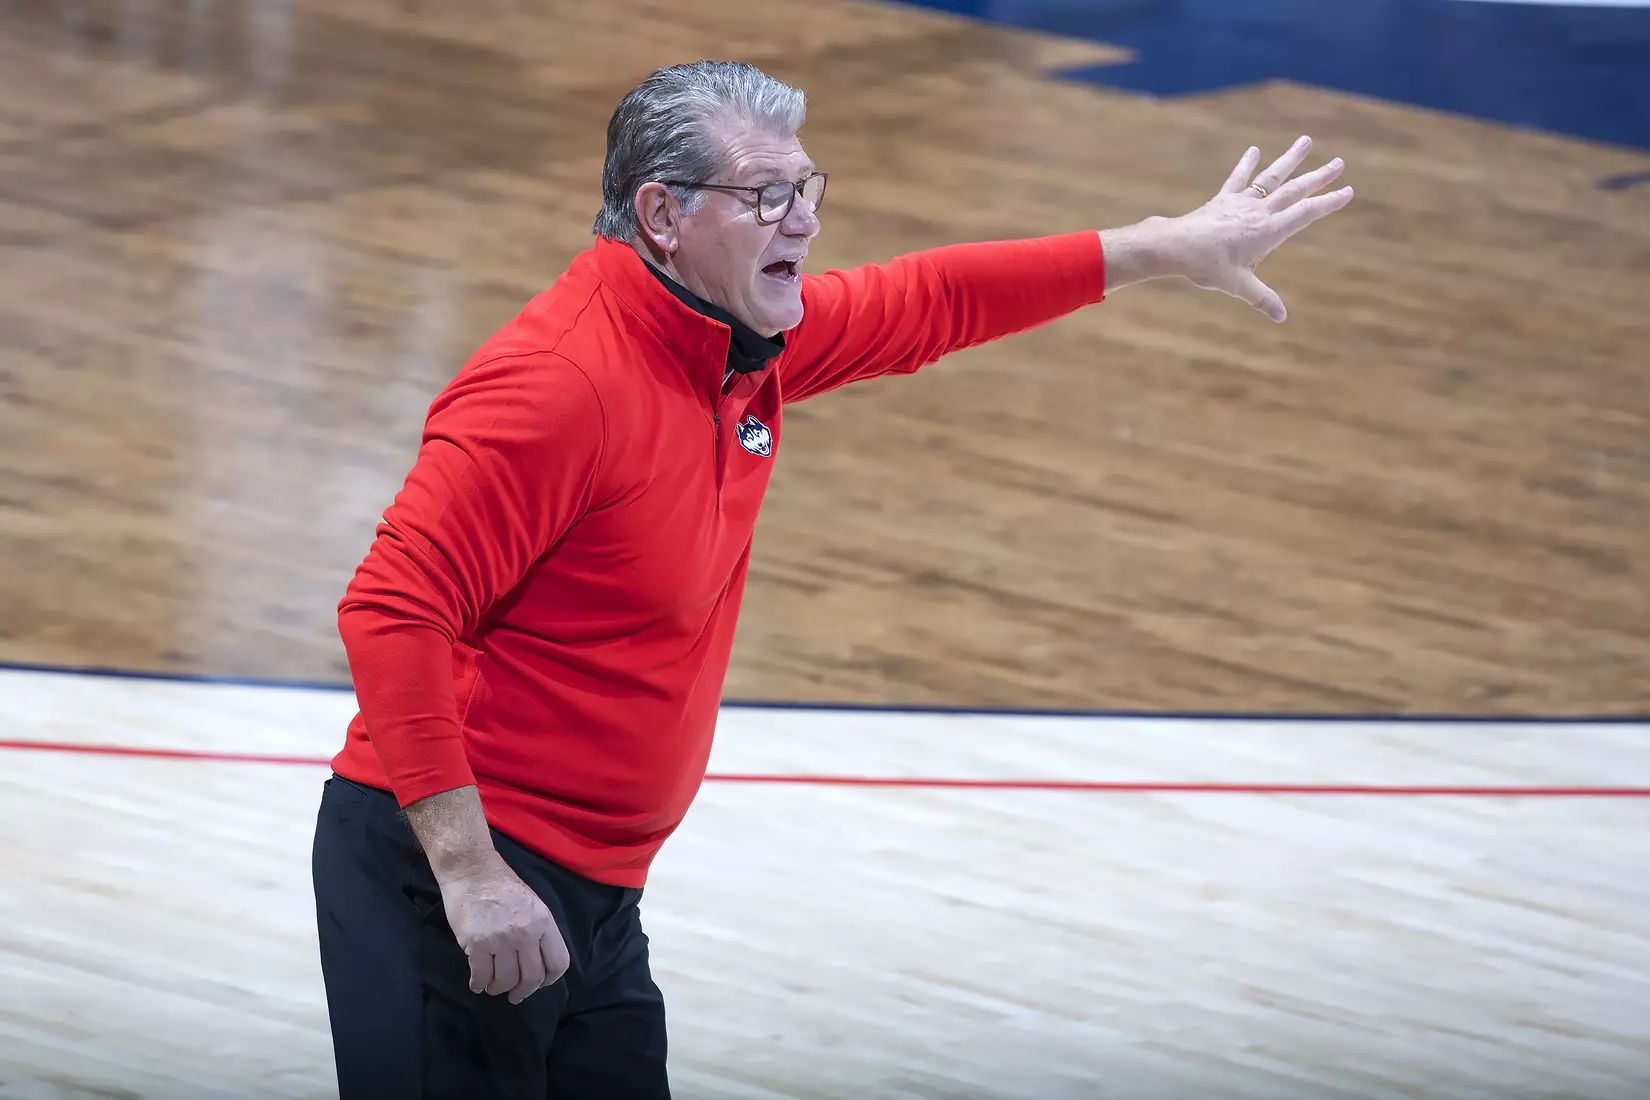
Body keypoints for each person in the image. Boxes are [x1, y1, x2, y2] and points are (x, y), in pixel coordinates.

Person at [310, 59, 1352, 1099]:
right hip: (454, 876)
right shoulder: (560, 386)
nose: (802, 220)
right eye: (767, 196)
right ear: (661, 213)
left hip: (593, 892)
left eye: (807, 188)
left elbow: (933, 299)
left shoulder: (738, 344)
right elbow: (393, 608)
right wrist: (467, 870)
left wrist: (1166, 245)